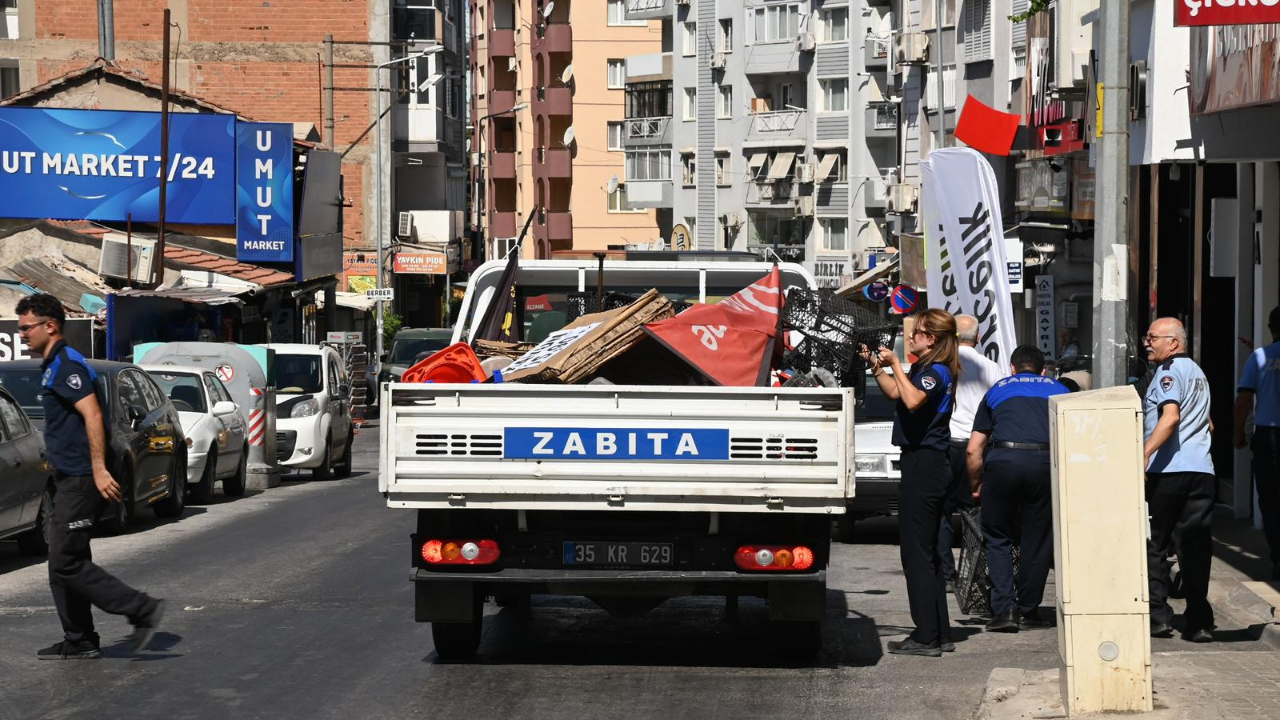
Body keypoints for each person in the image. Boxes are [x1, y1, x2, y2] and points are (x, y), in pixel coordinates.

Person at [15, 294, 165, 660]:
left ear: (50, 326)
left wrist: (98, 471)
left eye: (26, 327)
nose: (22, 336)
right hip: (68, 478)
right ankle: (79, 638)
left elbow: (93, 416)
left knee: (66, 562)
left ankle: (141, 609)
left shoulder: (68, 366)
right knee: (62, 561)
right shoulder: (53, 364)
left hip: (83, 479)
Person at [863, 308, 959, 657]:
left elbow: (914, 399)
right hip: (924, 464)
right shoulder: (924, 369)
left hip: (926, 464)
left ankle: (924, 636)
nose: (912, 337)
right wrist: (879, 367)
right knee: (928, 552)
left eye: (917, 332)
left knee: (917, 555)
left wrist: (896, 365)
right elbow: (895, 393)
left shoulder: (935, 372)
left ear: (931, 338)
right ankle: (939, 632)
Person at [967, 345, 1068, 632]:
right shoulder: (1060, 389)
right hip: (1045, 464)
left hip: (1003, 463)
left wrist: (976, 485)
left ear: (1013, 368)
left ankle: (1004, 611)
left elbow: (974, 449)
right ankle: (1028, 611)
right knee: (1037, 538)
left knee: (998, 535)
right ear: (1043, 370)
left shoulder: (997, 390)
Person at [1142, 317, 1215, 643]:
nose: (1147, 342)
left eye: (1152, 337)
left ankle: (1159, 617)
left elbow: (1170, 417)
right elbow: (1209, 426)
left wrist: (1143, 452)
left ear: (1173, 342)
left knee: (1155, 544)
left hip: (1169, 471)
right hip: (1202, 470)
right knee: (1195, 546)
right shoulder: (1199, 374)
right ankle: (1198, 621)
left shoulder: (1168, 372)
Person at [940, 315, 1006, 590]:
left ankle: (946, 574)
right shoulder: (992, 368)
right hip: (979, 446)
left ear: (953, 338)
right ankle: (977, 573)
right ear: (978, 338)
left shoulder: (944, 365)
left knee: (943, 511)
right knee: (976, 512)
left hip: (948, 443)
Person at [1234, 306, 1280, 580]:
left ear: (1270, 328)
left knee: (1272, 500)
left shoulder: (1260, 357)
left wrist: (1237, 433)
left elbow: (1243, 401)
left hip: (1270, 436)